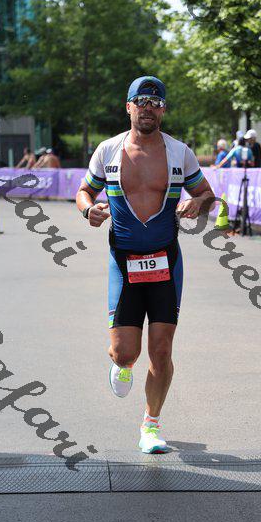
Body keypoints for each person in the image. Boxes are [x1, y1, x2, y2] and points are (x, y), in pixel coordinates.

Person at [76, 76, 214, 454]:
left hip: (165, 263)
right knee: (125, 353)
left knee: (162, 350)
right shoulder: (107, 150)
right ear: (129, 107)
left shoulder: (179, 153)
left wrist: (197, 203)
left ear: (163, 110)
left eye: (155, 102)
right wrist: (88, 210)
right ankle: (121, 364)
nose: (148, 108)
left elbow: (207, 195)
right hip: (124, 263)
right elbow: (84, 191)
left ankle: (150, 425)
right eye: (141, 101)